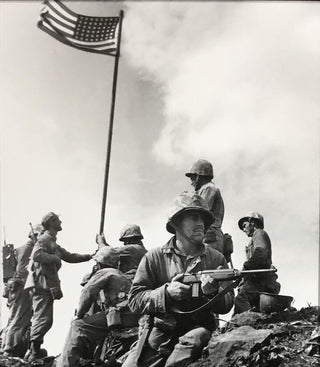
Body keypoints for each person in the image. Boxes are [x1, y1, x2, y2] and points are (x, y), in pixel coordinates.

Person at [122, 192, 234, 367]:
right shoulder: (154, 257)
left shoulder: (216, 259)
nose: (200, 224)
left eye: (203, 219)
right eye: (193, 217)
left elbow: (227, 305)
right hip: (160, 333)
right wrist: (166, 293)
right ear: (176, 223)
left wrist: (213, 293)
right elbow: (135, 300)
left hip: (197, 332)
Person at [24, 212, 93, 361]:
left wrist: (89, 256)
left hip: (47, 286)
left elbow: (70, 256)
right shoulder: (44, 239)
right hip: (42, 286)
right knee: (43, 319)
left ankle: (33, 349)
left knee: (44, 319)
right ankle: (34, 350)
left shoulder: (52, 242)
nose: (61, 222)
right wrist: (54, 258)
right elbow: (36, 255)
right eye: (58, 220)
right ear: (52, 222)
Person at [56, 246, 139, 367]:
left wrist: (79, 315)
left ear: (100, 264)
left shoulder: (105, 272)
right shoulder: (120, 274)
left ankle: (66, 364)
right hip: (131, 315)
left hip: (122, 315)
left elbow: (88, 292)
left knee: (78, 326)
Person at [2, 224, 43, 358]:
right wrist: (31, 289)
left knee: (17, 317)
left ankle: (10, 347)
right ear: (33, 235)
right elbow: (23, 271)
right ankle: (10, 349)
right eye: (39, 234)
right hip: (21, 287)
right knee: (19, 318)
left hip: (17, 287)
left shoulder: (23, 249)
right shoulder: (28, 249)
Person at [233, 212, 280, 315]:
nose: (243, 229)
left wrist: (245, 269)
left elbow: (260, 254)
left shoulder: (259, 233)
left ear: (252, 222)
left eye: (244, 225)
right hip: (258, 280)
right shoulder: (255, 237)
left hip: (260, 281)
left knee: (242, 298)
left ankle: (241, 326)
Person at [185, 159, 225, 253]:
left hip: (210, 237)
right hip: (210, 236)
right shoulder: (207, 189)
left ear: (199, 176)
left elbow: (199, 211)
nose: (191, 182)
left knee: (209, 263)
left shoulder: (209, 188)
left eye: (192, 178)